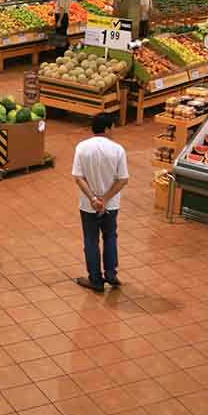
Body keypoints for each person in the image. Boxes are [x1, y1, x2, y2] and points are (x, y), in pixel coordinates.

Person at [72, 112, 129, 291]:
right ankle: (111, 274)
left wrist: (93, 199)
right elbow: (123, 180)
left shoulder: (81, 147)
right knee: (110, 236)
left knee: (91, 240)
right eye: (113, 127)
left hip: (88, 205)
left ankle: (95, 280)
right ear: (107, 128)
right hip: (111, 205)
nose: (114, 130)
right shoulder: (118, 150)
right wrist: (105, 199)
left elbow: (78, 177)